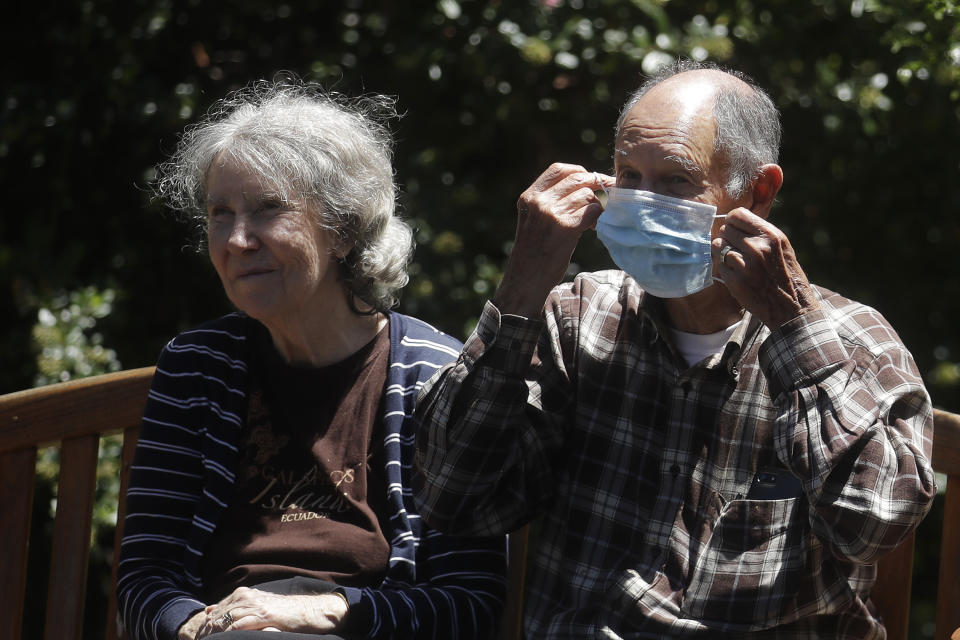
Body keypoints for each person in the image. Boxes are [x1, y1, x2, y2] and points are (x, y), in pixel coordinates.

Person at [412, 60, 935, 638]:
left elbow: (871, 527)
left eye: (677, 182)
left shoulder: (850, 341)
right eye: (628, 176)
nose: (642, 203)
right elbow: (453, 497)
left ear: (757, 192)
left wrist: (794, 329)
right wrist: (523, 284)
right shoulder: (577, 319)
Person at [116, 81, 505, 640]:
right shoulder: (198, 367)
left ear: (344, 229)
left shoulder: (436, 374)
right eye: (220, 214)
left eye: (268, 209)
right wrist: (196, 628)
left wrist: (326, 611)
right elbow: (144, 578)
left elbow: (469, 600)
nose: (238, 239)